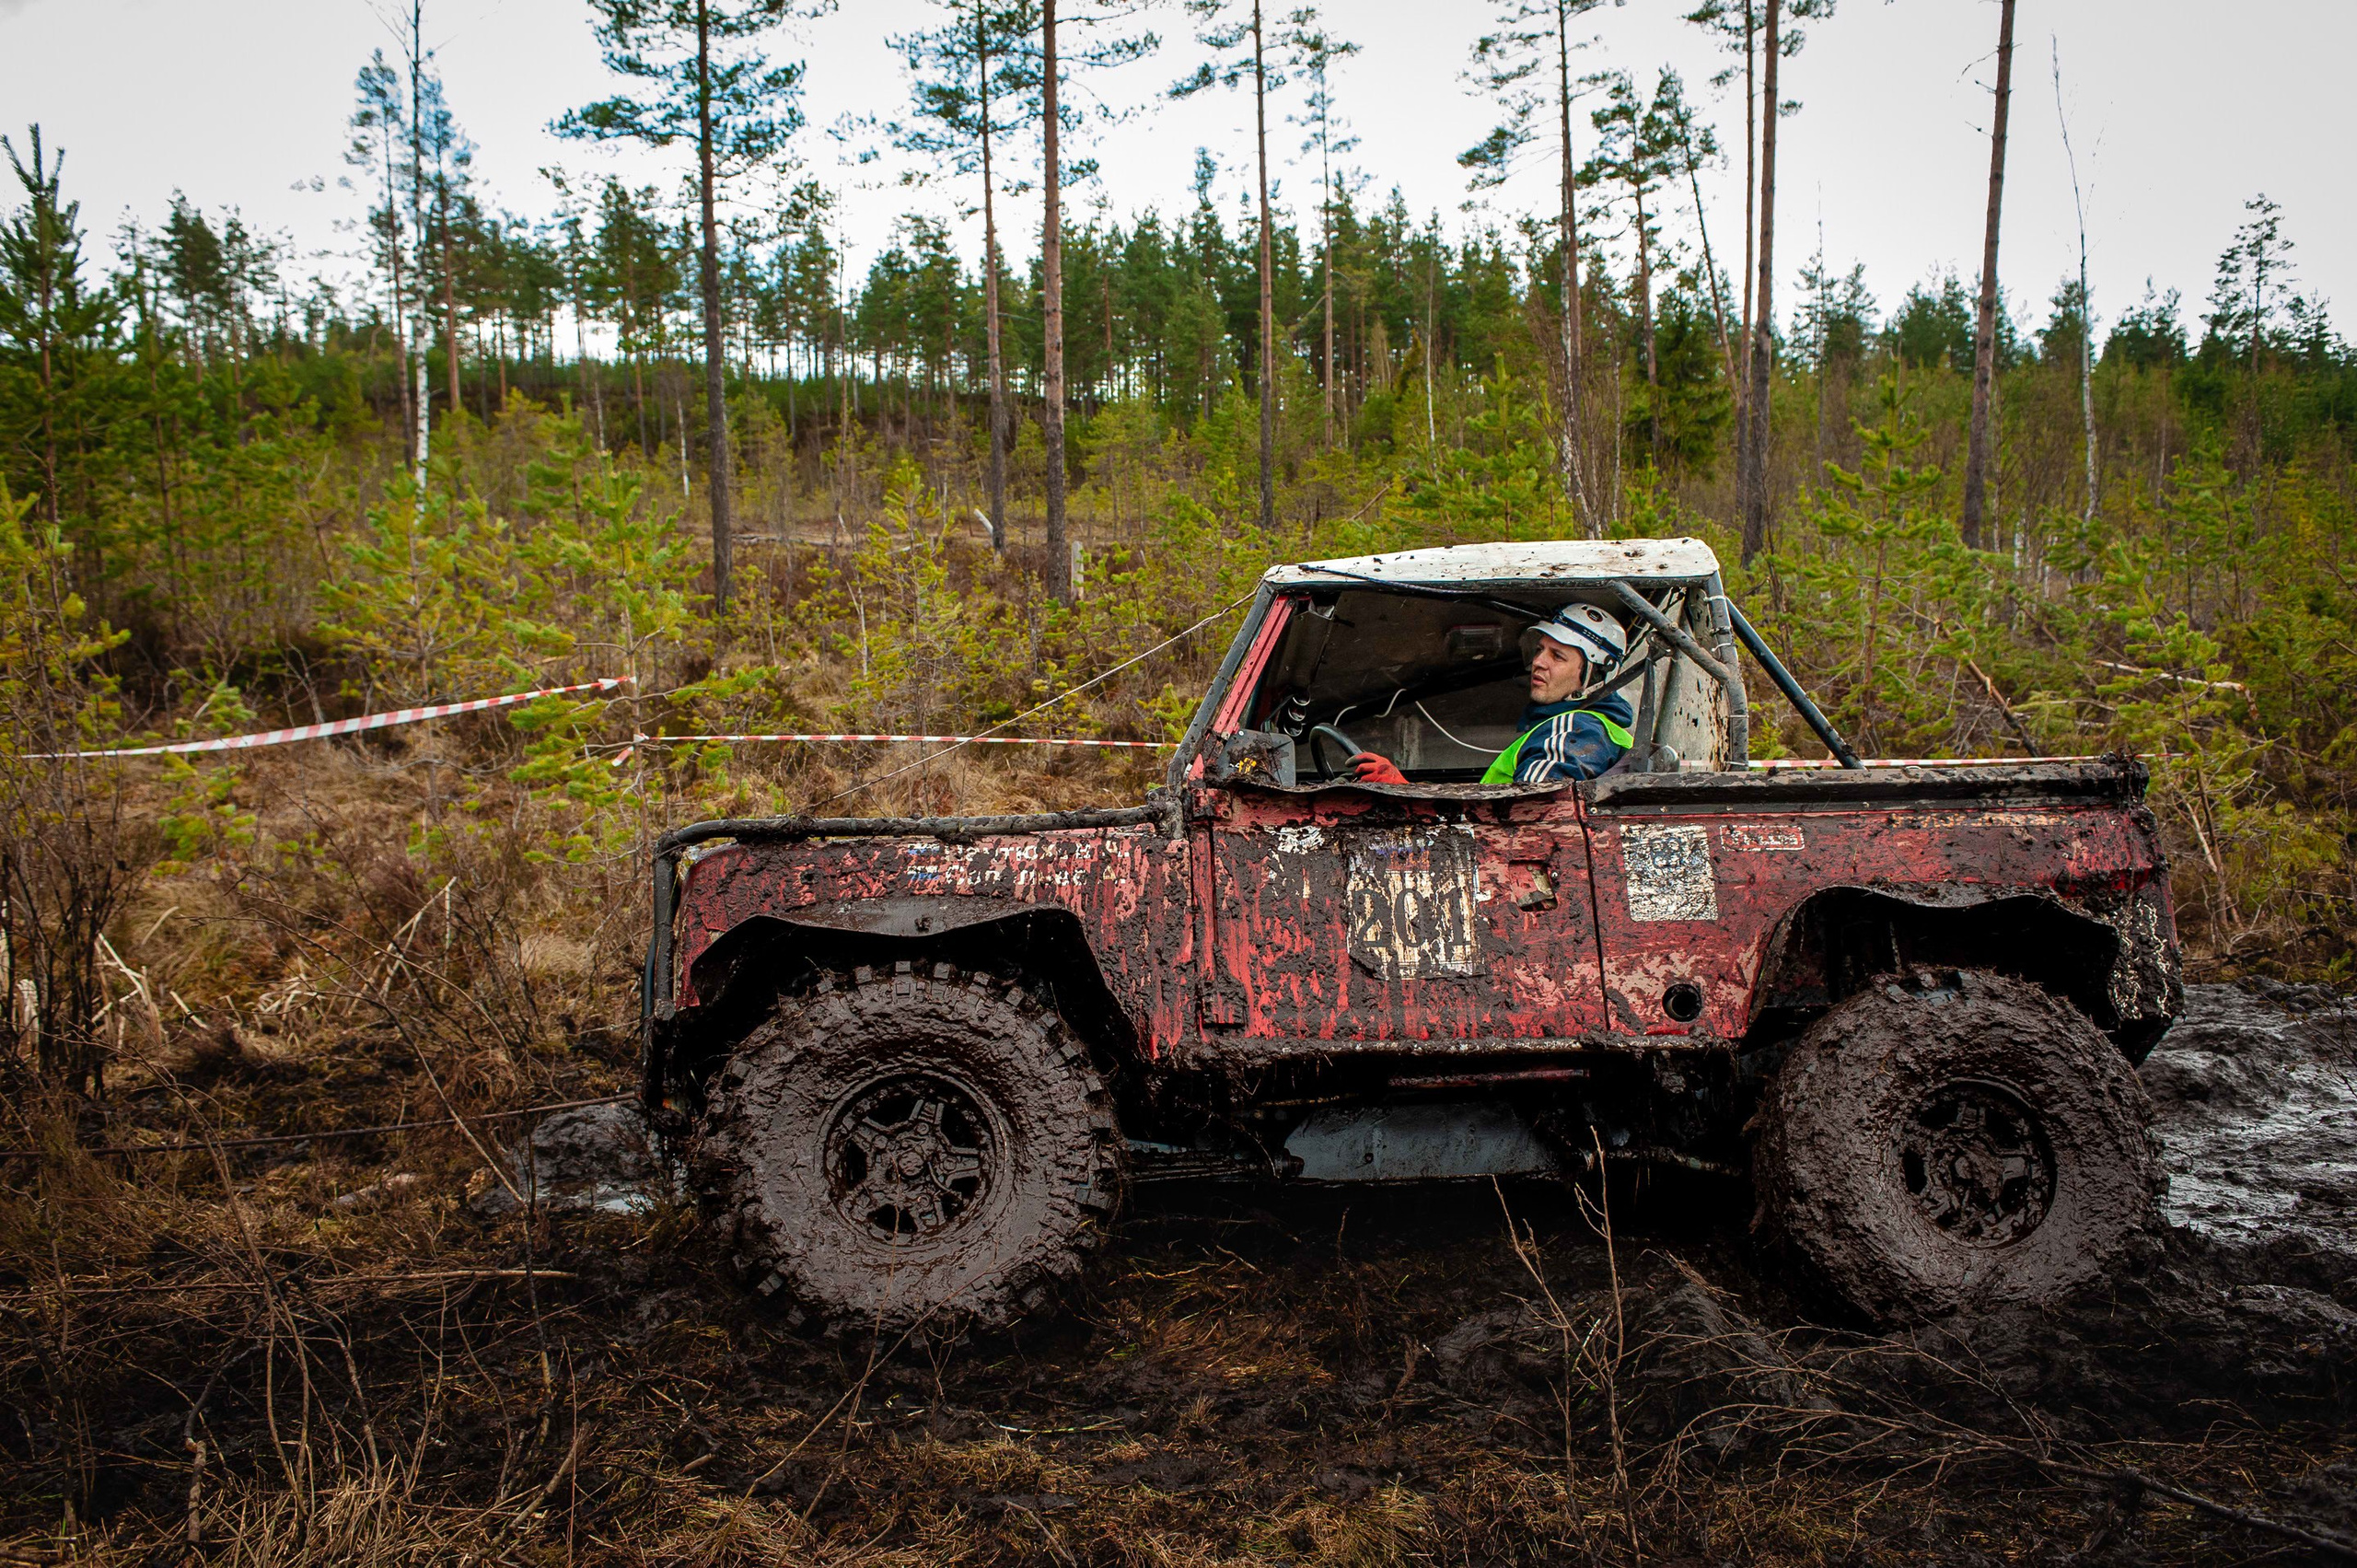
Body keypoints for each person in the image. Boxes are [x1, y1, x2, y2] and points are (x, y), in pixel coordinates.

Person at [1349, 602, 1633, 785]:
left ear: (1595, 675)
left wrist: (1405, 791)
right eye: (1539, 650)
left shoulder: (1573, 730)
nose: (1539, 662)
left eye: (1557, 656)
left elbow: (1524, 816)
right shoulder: (1595, 729)